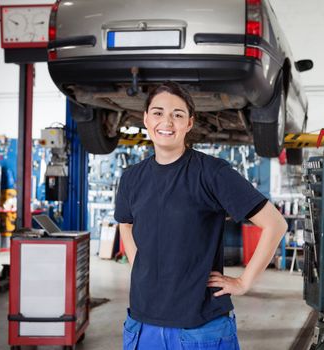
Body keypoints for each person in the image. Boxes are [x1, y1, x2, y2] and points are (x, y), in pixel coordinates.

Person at [115, 81, 288, 349]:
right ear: (146, 119)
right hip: (143, 324)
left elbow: (275, 224)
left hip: (200, 328)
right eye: (158, 112)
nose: (167, 122)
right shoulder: (131, 179)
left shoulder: (212, 173)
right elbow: (125, 224)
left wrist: (243, 282)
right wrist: (143, 268)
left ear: (189, 123)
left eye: (178, 114)